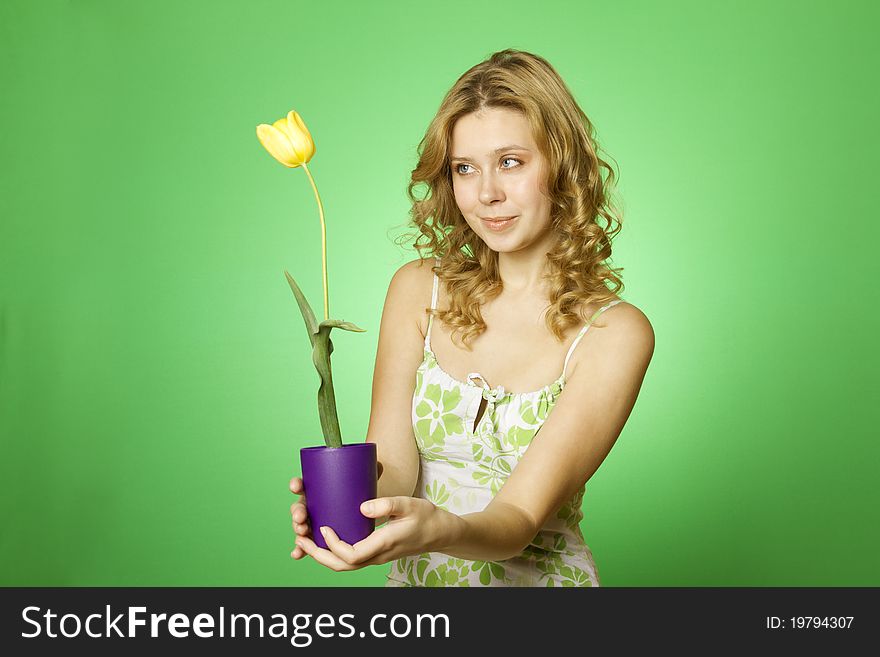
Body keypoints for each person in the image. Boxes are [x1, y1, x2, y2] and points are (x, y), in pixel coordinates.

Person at [289, 48, 654, 586]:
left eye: (511, 162)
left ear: (562, 164)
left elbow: (518, 522)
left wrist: (437, 527)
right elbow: (394, 462)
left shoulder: (613, 332)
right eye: (465, 168)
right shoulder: (418, 290)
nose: (486, 194)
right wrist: (346, 503)